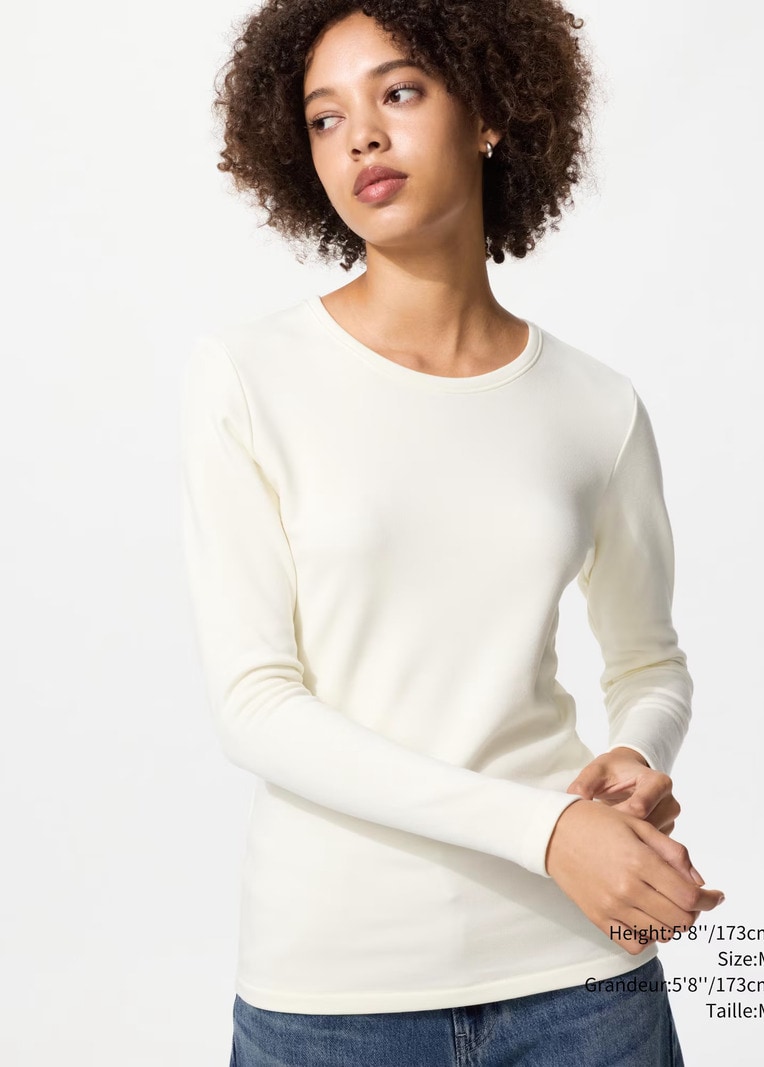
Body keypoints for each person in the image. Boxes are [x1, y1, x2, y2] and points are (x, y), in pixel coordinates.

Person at [179, 2, 725, 1064]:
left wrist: (634, 754)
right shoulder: (248, 377)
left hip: (582, 973)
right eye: (325, 117)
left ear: (487, 113)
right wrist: (547, 832)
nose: (362, 138)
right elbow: (255, 704)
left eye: (398, 92)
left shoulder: (596, 404)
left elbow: (649, 661)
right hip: (332, 992)